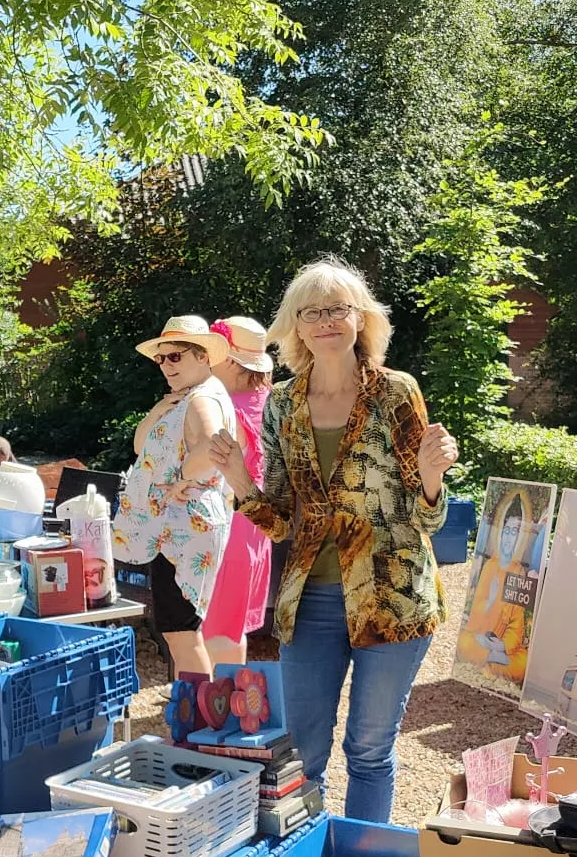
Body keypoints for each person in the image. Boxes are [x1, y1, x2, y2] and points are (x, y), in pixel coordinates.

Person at [206, 260, 459, 823]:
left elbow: (428, 517)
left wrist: (434, 476)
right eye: (311, 312)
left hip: (391, 598)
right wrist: (240, 482)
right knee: (305, 755)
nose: (325, 322)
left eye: (337, 309)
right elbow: (282, 520)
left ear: (360, 319)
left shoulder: (396, 393)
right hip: (311, 601)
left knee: (369, 751)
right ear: (294, 326)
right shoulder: (284, 403)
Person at [112, 315, 236, 680]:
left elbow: (216, 445)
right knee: (180, 629)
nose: (166, 365)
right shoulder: (191, 397)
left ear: (203, 356)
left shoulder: (202, 400)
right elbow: (140, 447)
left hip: (183, 528)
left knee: (182, 632)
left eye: (175, 356)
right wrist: (161, 408)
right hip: (177, 529)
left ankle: (197, 721)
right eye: (161, 359)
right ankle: (196, 716)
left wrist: (183, 477)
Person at [200, 317, 275, 667]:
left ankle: (216, 707)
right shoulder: (269, 400)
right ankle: (228, 704)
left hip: (226, 529)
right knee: (231, 628)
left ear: (228, 359)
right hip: (254, 528)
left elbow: (199, 468)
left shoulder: (224, 408)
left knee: (216, 631)